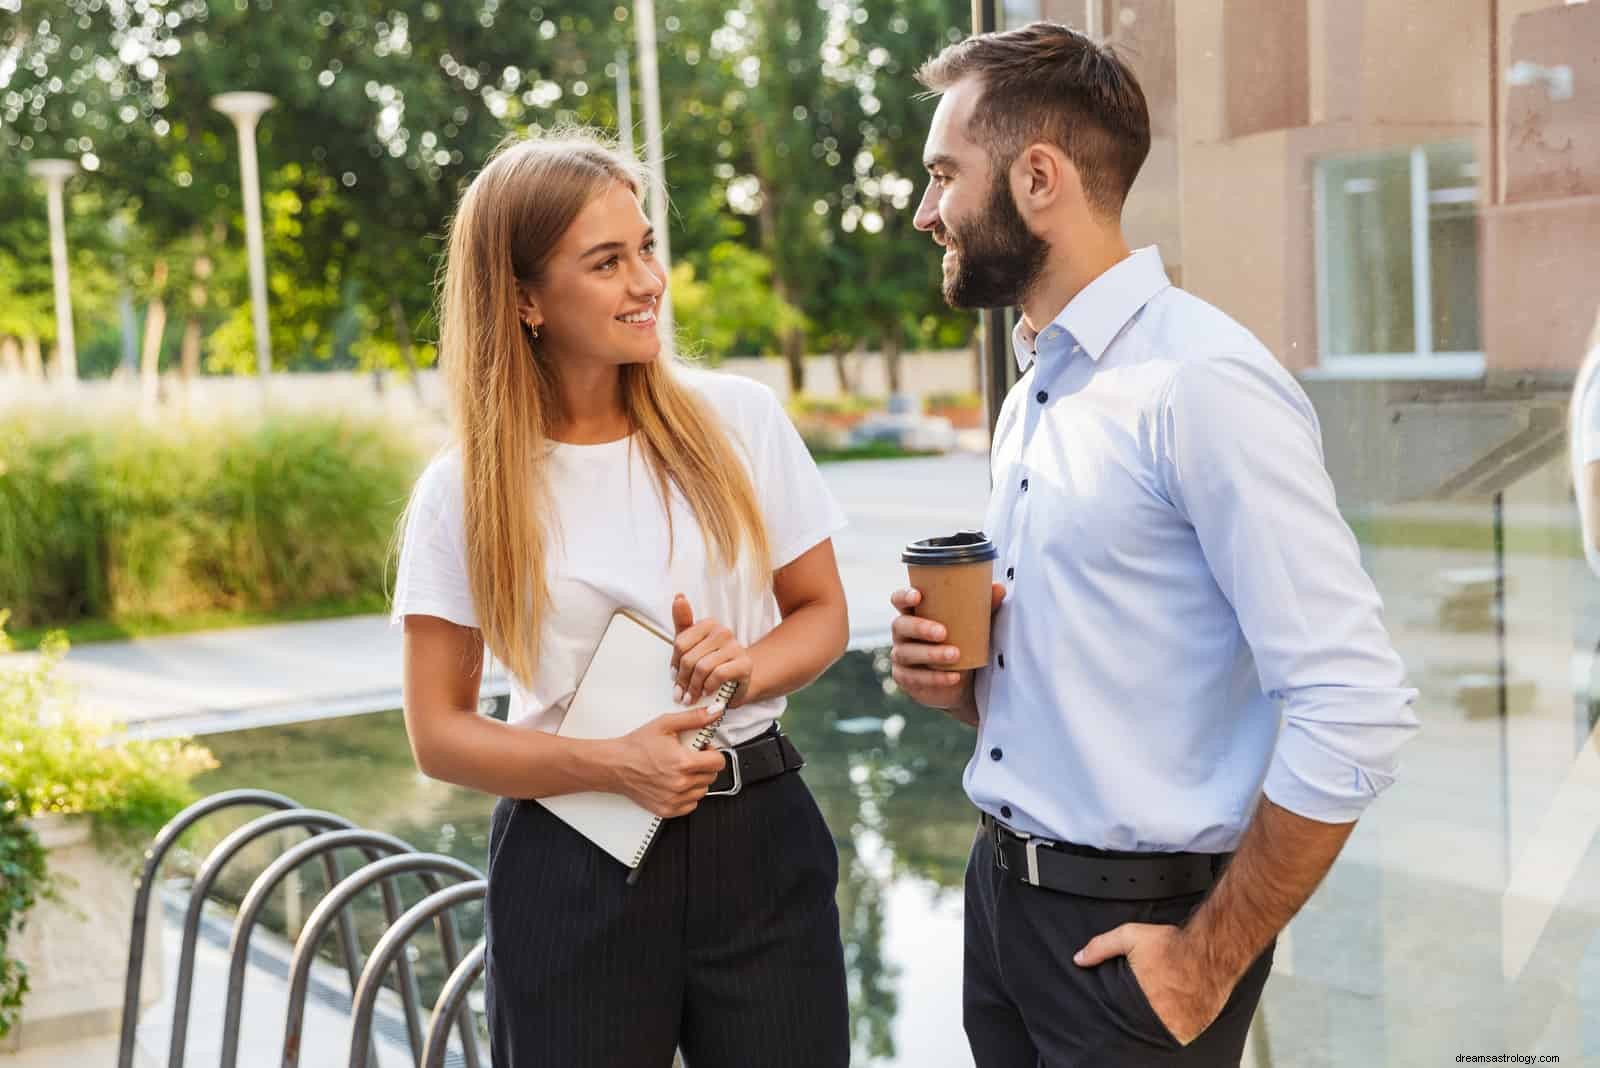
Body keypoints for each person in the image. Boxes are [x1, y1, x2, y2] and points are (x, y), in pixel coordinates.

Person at [889, 23, 1420, 1067]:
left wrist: (1205, 961)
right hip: (1005, 909)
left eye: (944, 174)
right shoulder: (1037, 388)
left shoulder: (1200, 383)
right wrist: (964, 687)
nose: (924, 211)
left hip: (1134, 944)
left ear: (1037, 178)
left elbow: (1354, 706)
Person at [392, 129, 851, 1068]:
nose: (649, 280)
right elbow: (436, 733)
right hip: (572, 858)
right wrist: (611, 764)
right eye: (608, 261)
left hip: (759, 843)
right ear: (522, 299)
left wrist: (747, 662)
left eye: (646, 247)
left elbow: (823, 613)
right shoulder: (466, 490)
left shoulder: (740, 422)